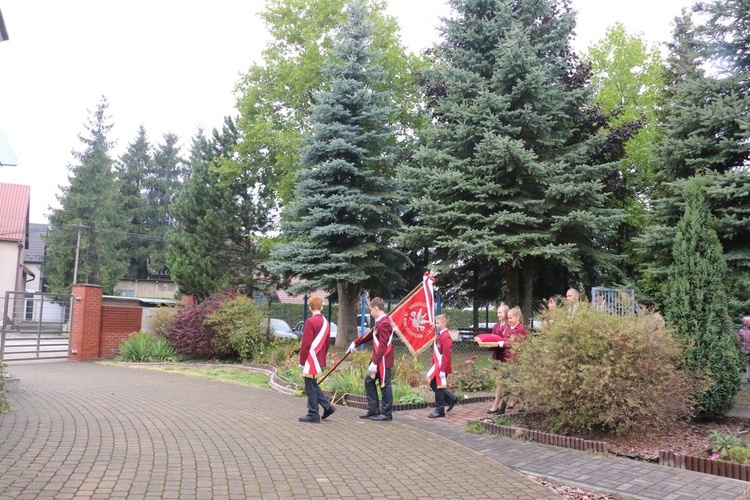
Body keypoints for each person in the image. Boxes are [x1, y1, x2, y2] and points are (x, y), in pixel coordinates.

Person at [347, 297, 394, 421]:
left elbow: (383, 345)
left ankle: (387, 413)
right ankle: (373, 410)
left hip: (383, 360)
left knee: (385, 385)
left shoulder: (384, 323)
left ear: (376, 308)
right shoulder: (380, 322)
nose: (370, 312)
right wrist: (355, 343)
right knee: (369, 381)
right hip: (378, 359)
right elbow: (370, 336)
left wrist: (375, 362)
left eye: (371, 309)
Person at [298, 296, 336, 423]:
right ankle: (327, 407)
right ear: (322, 307)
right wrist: (322, 358)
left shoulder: (310, 321)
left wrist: (302, 362)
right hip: (319, 358)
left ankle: (313, 413)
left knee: (310, 386)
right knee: (313, 385)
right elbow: (326, 343)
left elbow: (306, 344)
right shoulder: (326, 322)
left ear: (309, 307)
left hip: (310, 359)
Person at [489, 306, 527, 415]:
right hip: (507, 360)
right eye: (508, 318)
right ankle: (502, 408)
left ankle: (524, 404)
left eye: (511, 318)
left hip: (515, 361)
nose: (509, 320)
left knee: (516, 384)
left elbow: (517, 344)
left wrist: (505, 343)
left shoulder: (521, 329)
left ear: (518, 318)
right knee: (506, 384)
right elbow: (506, 340)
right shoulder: (509, 328)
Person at [426, 314, 459, 418]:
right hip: (438, 366)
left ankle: (439, 410)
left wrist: (442, 370)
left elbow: (446, 354)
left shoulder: (445, 336)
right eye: (436, 322)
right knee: (433, 384)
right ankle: (451, 398)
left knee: (438, 387)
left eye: (438, 323)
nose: (436, 325)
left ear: (444, 324)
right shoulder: (440, 335)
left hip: (442, 367)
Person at [487, 304, 509, 414]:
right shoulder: (496, 326)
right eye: (497, 312)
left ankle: (500, 405)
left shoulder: (510, 326)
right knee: (499, 382)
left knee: (507, 382)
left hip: (507, 357)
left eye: (500, 312)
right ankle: (496, 405)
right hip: (498, 356)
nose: (498, 314)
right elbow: (492, 339)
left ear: (506, 313)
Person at [739, 317, 750, 383]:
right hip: (746, 350)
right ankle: (748, 378)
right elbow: (739, 341)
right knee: (747, 364)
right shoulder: (741, 331)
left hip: (746, 350)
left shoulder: (741, 331)